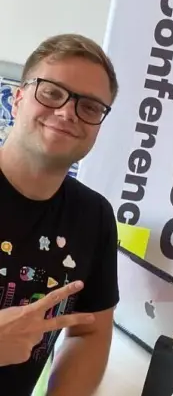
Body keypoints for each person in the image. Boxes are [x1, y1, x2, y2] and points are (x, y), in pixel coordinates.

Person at [0, 34, 120, 395]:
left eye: (90, 107)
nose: (68, 112)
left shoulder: (95, 216)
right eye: (51, 93)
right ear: (18, 99)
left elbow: (90, 331)